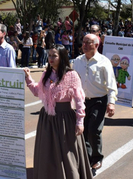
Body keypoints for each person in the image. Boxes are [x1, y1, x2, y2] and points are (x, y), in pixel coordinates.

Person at [24, 44, 92, 179]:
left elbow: (79, 100)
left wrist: (80, 122)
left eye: (54, 55)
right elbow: (38, 92)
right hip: (47, 118)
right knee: (47, 152)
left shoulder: (71, 75)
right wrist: (28, 78)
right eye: (49, 55)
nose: (50, 58)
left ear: (62, 57)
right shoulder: (46, 73)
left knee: (67, 153)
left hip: (64, 119)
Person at [73, 33, 118, 172]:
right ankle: (87, 157)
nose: (84, 45)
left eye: (88, 43)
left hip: (99, 100)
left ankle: (97, 157)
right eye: (83, 42)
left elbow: (111, 84)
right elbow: (72, 82)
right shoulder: (77, 61)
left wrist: (111, 103)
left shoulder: (104, 62)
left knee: (94, 129)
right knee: (83, 129)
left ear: (96, 45)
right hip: (82, 101)